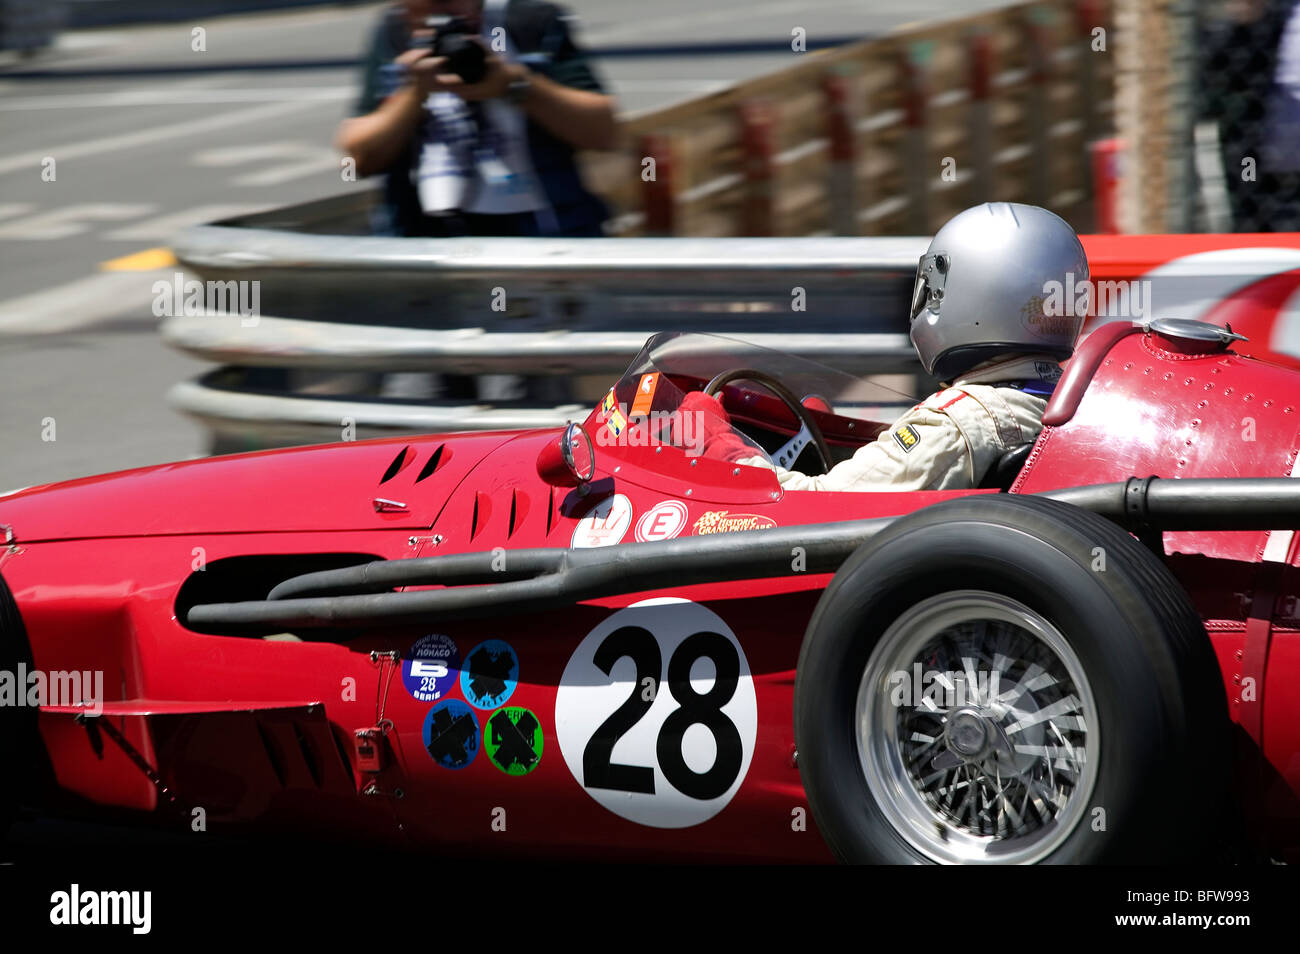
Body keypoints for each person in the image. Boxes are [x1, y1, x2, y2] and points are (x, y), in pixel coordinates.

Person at [683, 202, 1089, 491]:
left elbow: (816, 510)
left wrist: (719, 447)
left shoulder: (960, 425)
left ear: (977, 290)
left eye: (935, 286)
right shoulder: (1065, 402)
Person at [337, 0, 616, 238]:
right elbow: (356, 160)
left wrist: (514, 85)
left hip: (544, 238)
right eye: (426, 7)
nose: (443, 17)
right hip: (426, 248)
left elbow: (604, 132)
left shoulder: (528, 22)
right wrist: (413, 96)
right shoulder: (393, 33)